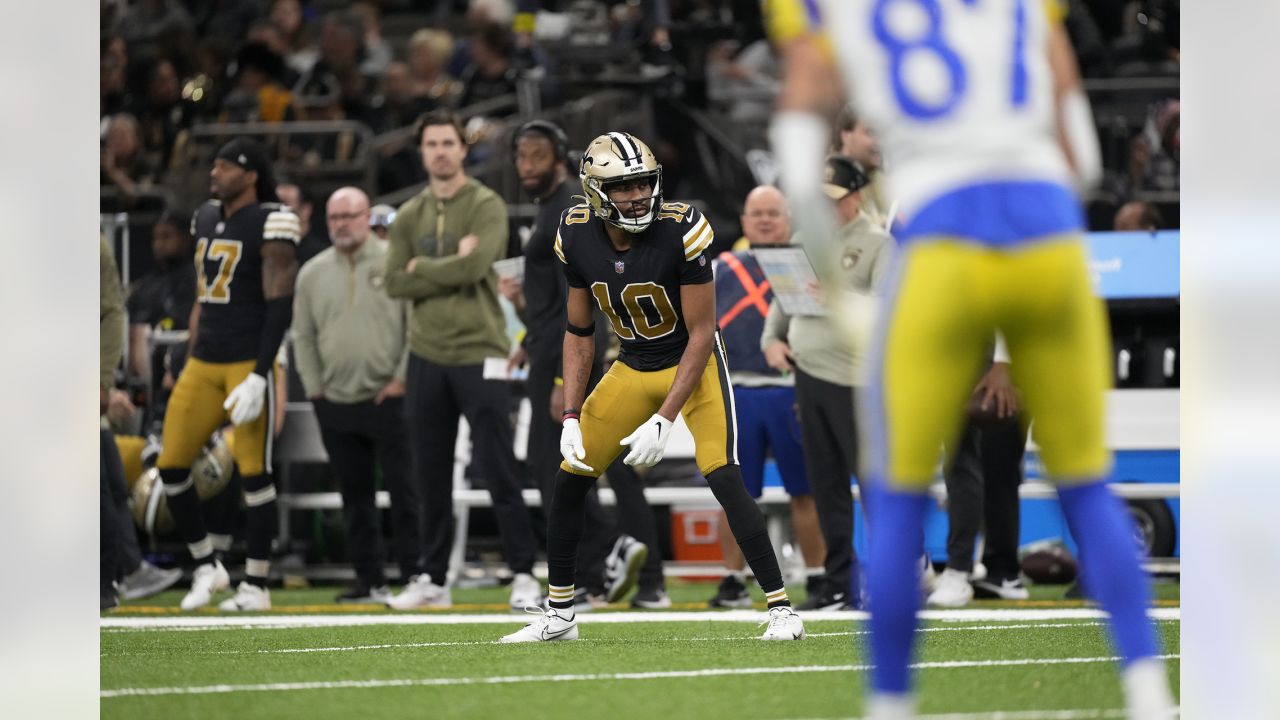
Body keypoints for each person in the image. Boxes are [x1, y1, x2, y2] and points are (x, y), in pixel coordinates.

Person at [768, 1, 1174, 717]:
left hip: (942, 236)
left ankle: (890, 702)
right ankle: (1149, 691)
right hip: (1044, 226)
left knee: (896, 494)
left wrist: (832, 277)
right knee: (1084, 481)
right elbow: (1078, 145)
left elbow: (799, 146)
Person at [500, 131, 805, 643]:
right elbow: (578, 332)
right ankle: (560, 615)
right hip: (634, 363)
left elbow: (704, 333)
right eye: (623, 187)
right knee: (570, 476)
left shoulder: (680, 228)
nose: (638, 195)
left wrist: (664, 417)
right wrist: (572, 414)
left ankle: (781, 609)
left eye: (643, 182)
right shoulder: (573, 232)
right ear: (595, 191)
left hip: (694, 360)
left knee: (724, 475)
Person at [384, 111, 541, 611]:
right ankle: (432, 579)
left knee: (497, 467)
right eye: (431, 144)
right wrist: (449, 264)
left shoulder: (487, 204)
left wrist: (422, 267)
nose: (440, 152)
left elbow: (478, 265)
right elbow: (393, 281)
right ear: (423, 151)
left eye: (448, 142)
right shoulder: (409, 213)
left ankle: (522, 573)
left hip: (482, 351)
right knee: (428, 472)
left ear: (461, 149)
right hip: (425, 353)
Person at [501, 120, 661, 609]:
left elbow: (586, 299)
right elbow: (557, 302)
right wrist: (529, 334)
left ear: (561, 159)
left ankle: (612, 553)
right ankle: (626, 575)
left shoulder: (572, 209)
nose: (528, 166)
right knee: (585, 465)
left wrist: (558, 380)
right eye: (521, 157)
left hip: (571, 358)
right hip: (552, 347)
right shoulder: (552, 209)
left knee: (563, 465)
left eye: (537, 156)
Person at [155, 137, 300, 612]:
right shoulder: (206, 216)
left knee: (254, 473)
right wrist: (185, 355)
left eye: (224, 165)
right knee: (172, 464)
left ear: (250, 173)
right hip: (206, 358)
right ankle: (207, 565)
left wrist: (262, 373)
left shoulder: (273, 219)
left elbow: (280, 302)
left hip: (246, 359)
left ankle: (256, 585)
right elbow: (202, 298)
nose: (213, 171)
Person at [760, 157, 893, 611]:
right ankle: (841, 581)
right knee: (825, 484)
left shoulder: (878, 244)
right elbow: (782, 302)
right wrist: (770, 341)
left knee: (872, 482)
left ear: (856, 196)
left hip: (856, 377)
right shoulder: (803, 241)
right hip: (809, 375)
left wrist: (836, 296)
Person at [291, 186, 421, 604]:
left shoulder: (395, 263)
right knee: (355, 497)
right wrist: (316, 391)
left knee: (405, 492)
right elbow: (303, 337)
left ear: (368, 217)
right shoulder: (311, 273)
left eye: (350, 216)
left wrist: (401, 379)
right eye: (334, 217)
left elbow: (413, 325)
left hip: (390, 397)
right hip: (335, 403)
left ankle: (416, 578)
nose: (342, 225)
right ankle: (370, 581)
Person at [707, 185, 826, 609]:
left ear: (788, 218)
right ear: (742, 221)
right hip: (737, 389)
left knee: (805, 490)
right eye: (755, 212)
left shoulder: (805, 265)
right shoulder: (722, 266)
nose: (763, 220)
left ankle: (817, 576)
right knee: (735, 492)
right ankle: (732, 579)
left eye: (773, 212)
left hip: (790, 389)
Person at [927, 338, 1032, 607]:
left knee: (969, 459)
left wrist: (1002, 362)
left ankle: (962, 571)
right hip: (929, 342)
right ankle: (919, 567)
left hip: (973, 346)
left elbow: (1005, 298)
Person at [125, 211, 196, 428]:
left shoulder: (194, 279)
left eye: (166, 237)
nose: (159, 244)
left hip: (177, 363)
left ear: (184, 239)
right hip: (141, 371)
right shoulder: (146, 284)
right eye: (156, 238)